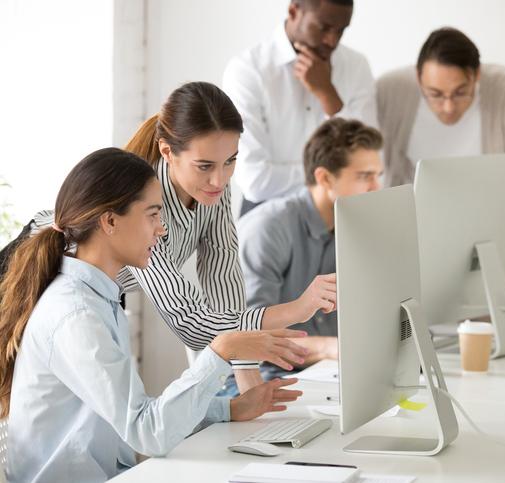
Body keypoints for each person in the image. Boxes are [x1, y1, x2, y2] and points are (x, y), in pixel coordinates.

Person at [0, 148, 308, 483]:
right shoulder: (76, 314)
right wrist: (222, 350)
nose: (161, 230)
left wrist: (231, 410)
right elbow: (146, 431)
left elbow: (135, 416)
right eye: (152, 215)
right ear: (110, 221)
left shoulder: (99, 297)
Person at [24, 82, 337, 392]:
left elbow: (222, 276)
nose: (220, 178)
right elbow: (191, 323)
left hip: (94, 299)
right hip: (33, 280)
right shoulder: (143, 205)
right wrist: (295, 309)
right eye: (204, 166)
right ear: (167, 152)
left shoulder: (212, 188)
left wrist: (247, 377)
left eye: (230, 161)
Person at [376, 27, 505, 334]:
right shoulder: (389, 91)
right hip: (410, 263)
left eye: (460, 93)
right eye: (435, 95)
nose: (448, 107)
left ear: (477, 76)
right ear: (418, 78)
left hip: (484, 259)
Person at [219, 118, 383, 395]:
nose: (376, 188)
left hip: (324, 376)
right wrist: (331, 347)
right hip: (256, 381)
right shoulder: (269, 229)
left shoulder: (357, 226)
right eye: (364, 176)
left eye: (378, 175)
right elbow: (249, 339)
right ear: (325, 178)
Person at [223, 0, 377, 215]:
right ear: (294, 11)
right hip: (268, 217)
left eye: (341, 30)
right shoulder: (248, 71)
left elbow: (367, 161)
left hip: (340, 217)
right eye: (324, 27)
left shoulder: (356, 66)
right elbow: (254, 179)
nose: (332, 41)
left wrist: (328, 95)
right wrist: (333, 176)